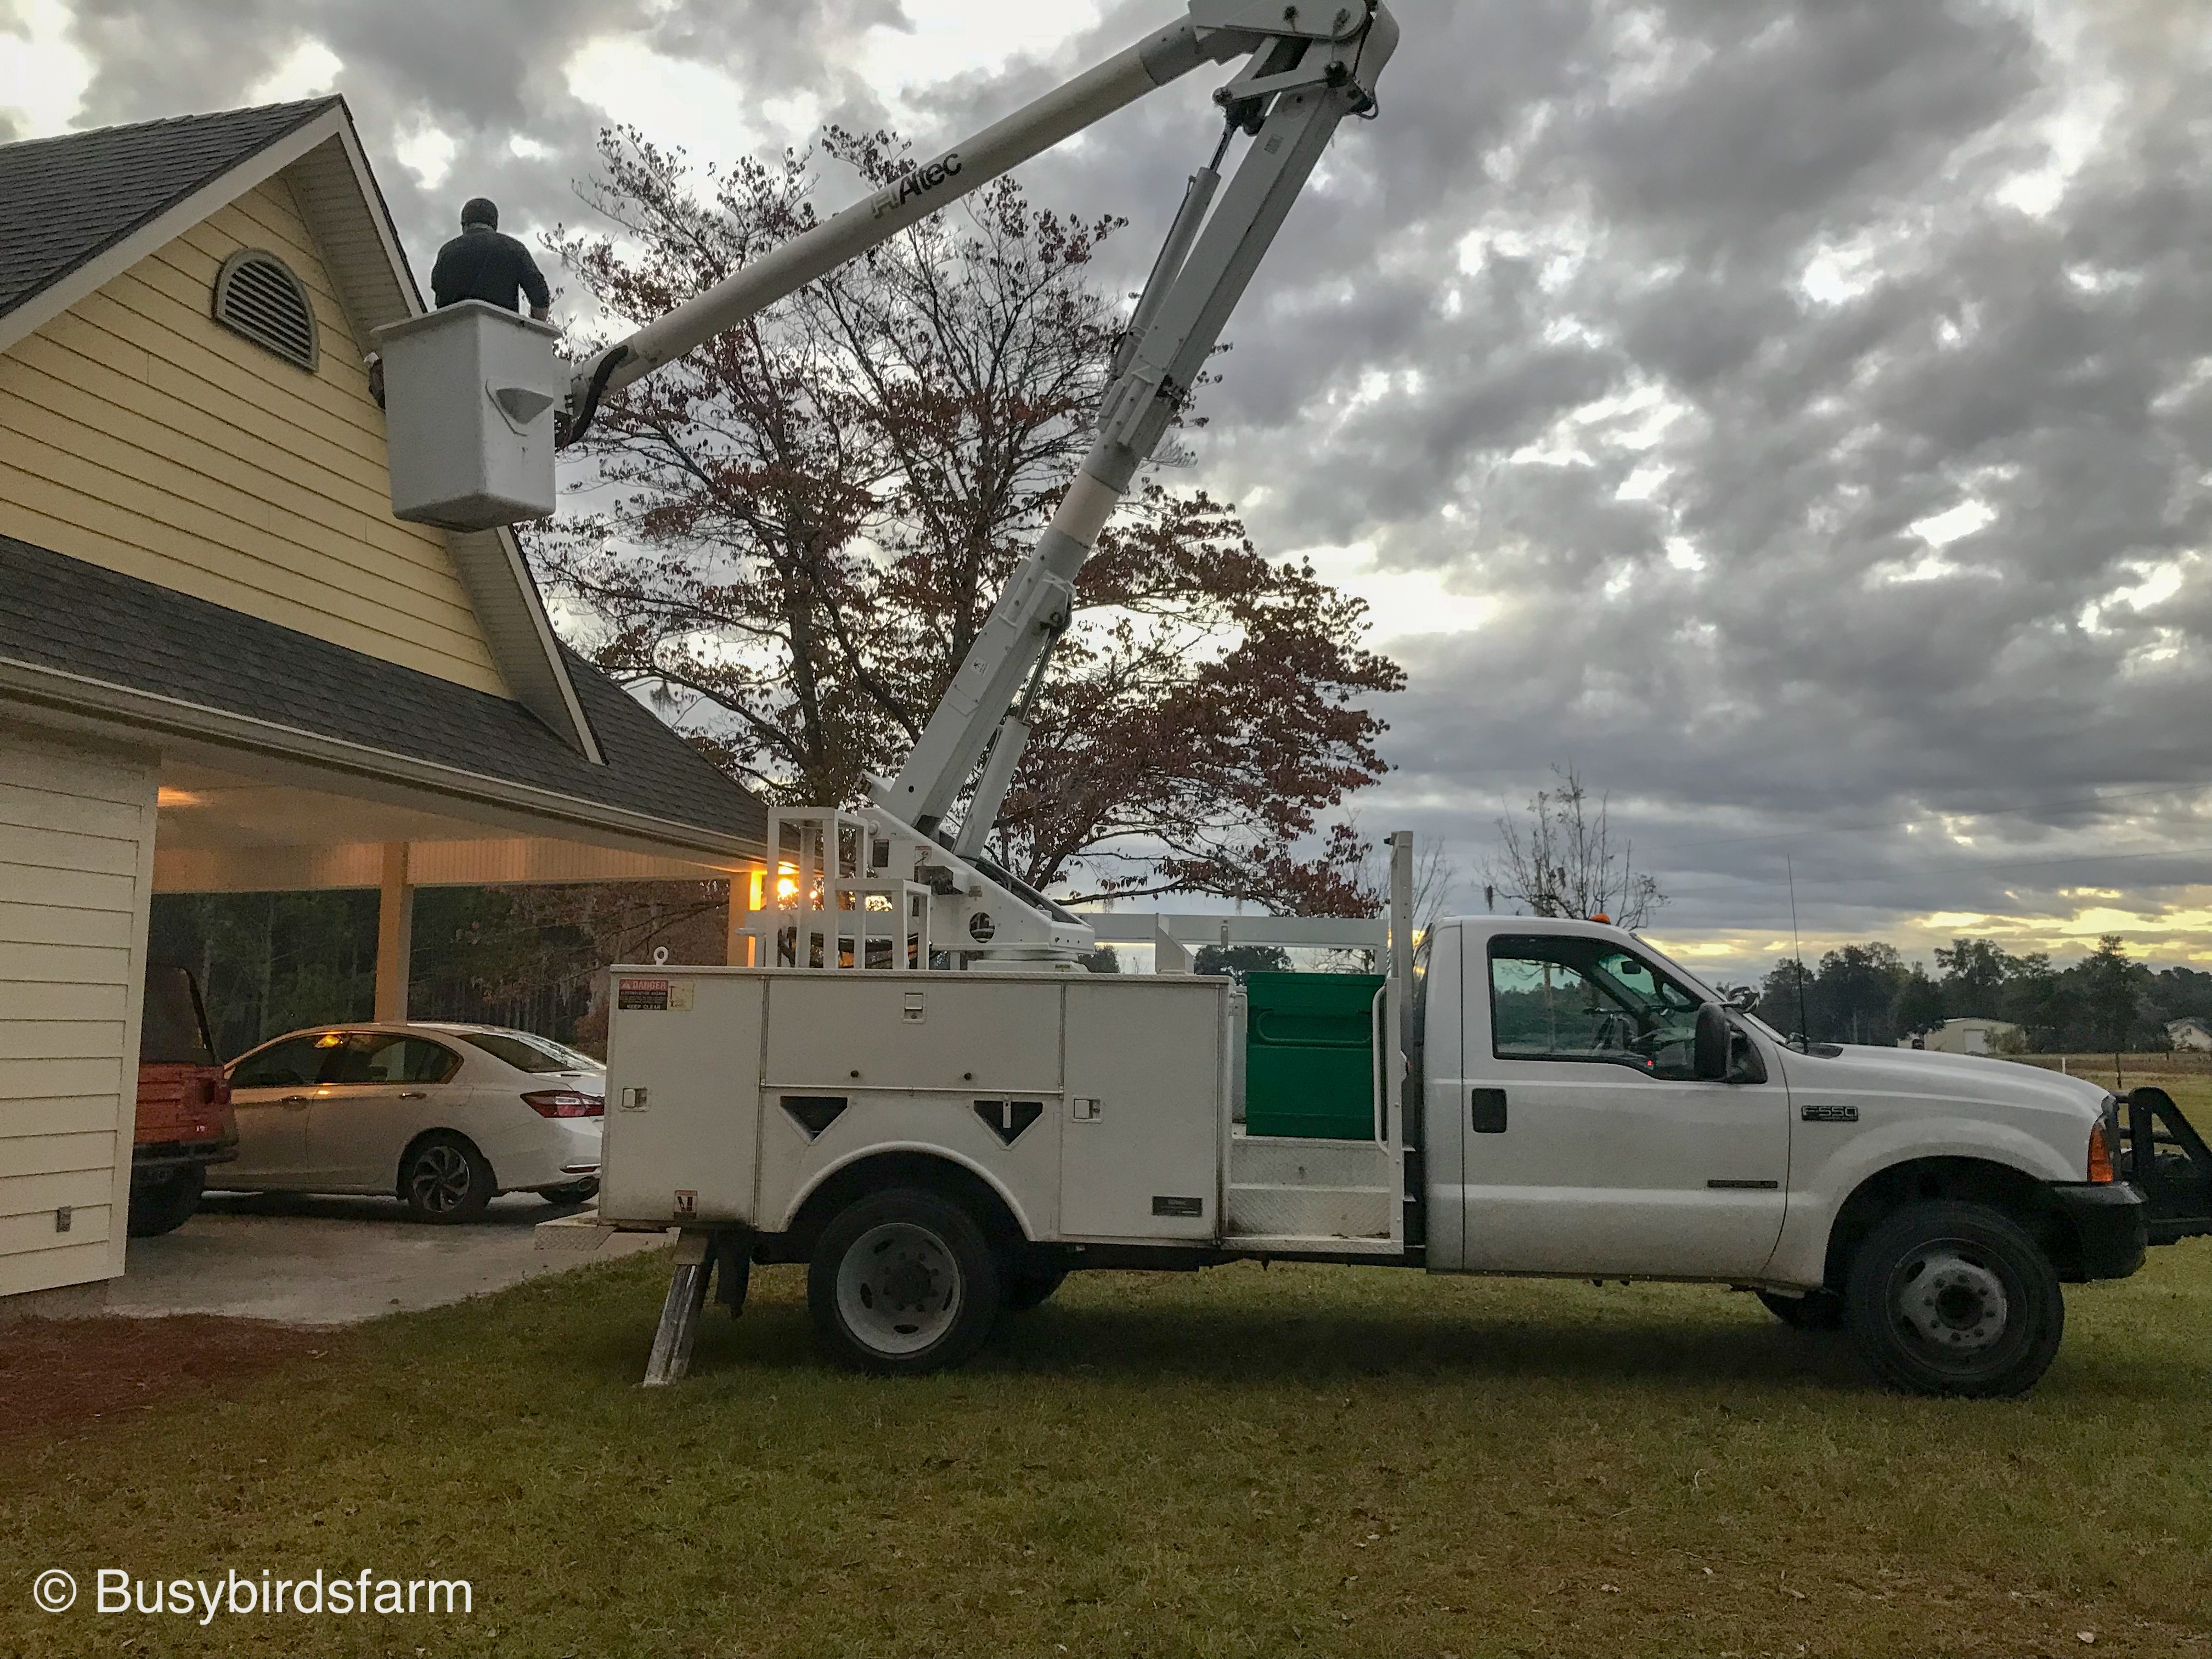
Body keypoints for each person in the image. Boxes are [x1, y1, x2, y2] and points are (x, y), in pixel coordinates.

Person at [430, 198, 551, 320]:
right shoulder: (514, 249)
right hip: (503, 331)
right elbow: (540, 296)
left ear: (464, 224)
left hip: (456, 332)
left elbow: (439, 295)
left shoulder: (446, 252)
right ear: (495, 224)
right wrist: (532, 333)